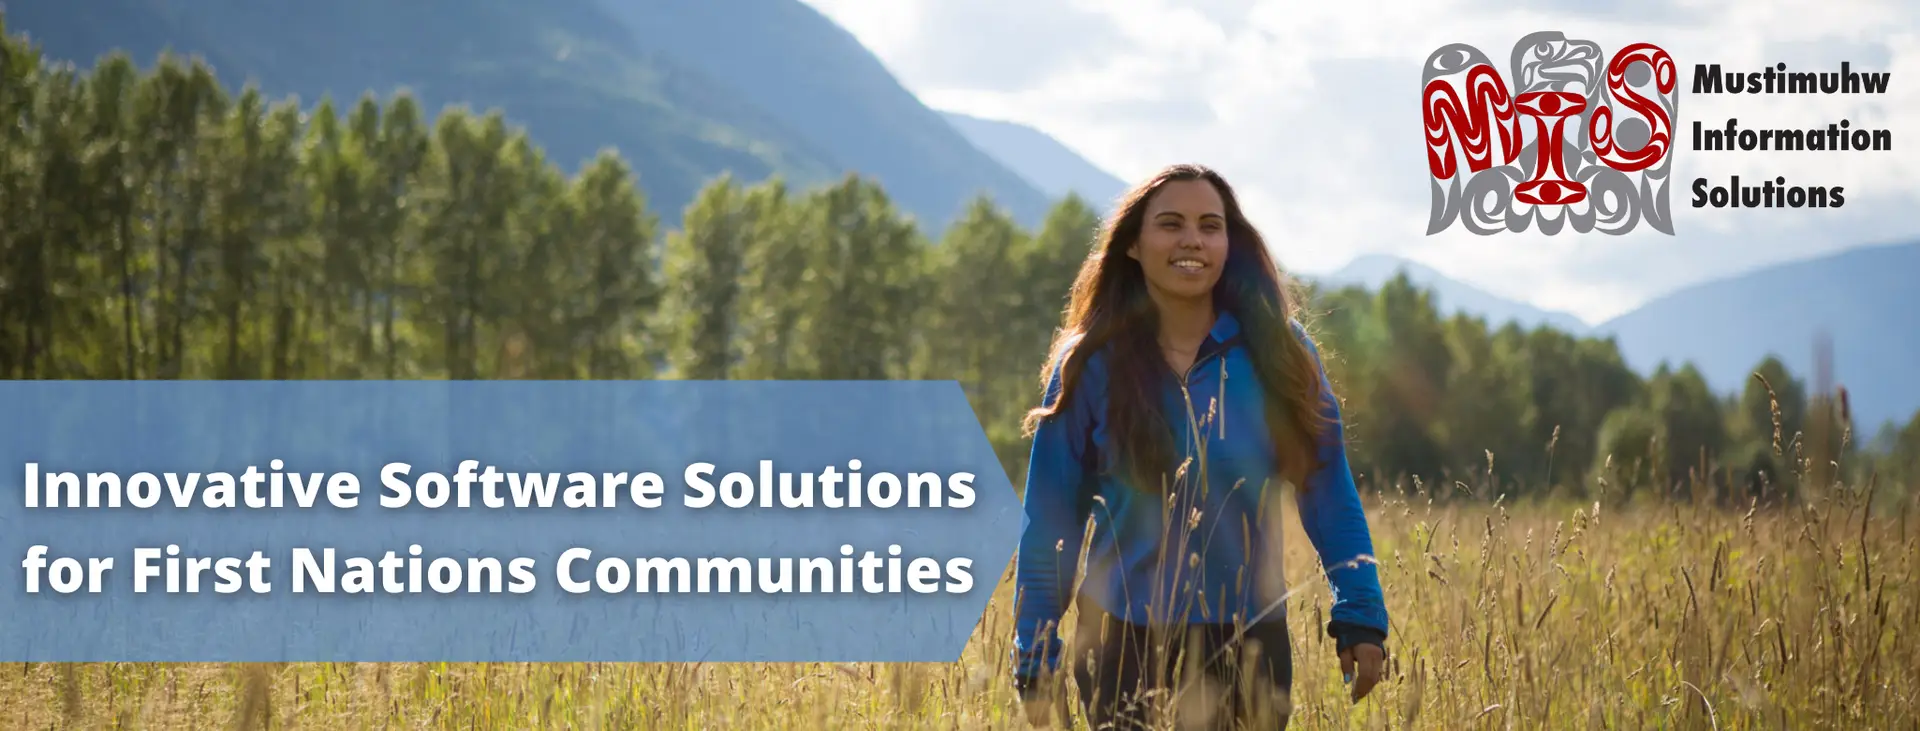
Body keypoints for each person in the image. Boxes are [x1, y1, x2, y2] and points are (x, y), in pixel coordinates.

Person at [1010, 163, 1390, 729]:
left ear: (1229, 244)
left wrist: (1360, 614)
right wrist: (1034, 654)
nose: (1193, 239)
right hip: (1121, 645)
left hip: (1251, 641)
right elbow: (1051, 520)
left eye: (1211, 225)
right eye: (1171, 224)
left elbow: (1326, 486)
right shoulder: (1089, 362)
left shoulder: (1279, 351)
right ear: (1134, 246)